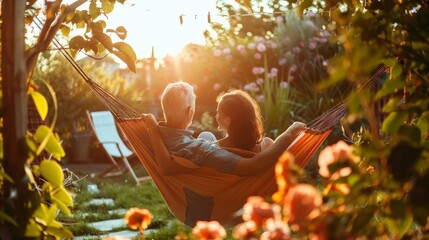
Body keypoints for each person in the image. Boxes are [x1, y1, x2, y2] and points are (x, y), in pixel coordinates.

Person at [142, 81, 306, 177]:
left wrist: (154, 128)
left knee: (207, 135)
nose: (216, 116)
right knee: (208, 137)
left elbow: (164, 166)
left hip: (191, 195)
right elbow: (255, 166)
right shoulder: (202, 150)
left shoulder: (155, 135)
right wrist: (290, 132)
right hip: (222, 189)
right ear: (190, 111)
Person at [199, 89, 274, 153]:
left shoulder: (213, 148)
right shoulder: (267, 145)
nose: (216, 116)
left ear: (228, 120)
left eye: (218, 113)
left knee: (206, 135)